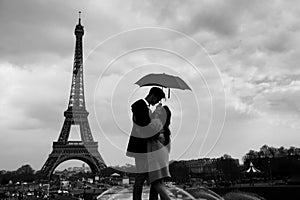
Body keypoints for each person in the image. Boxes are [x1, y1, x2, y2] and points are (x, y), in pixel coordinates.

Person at [126, 87, 166, 200]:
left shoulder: (143, 107)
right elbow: (145, 125)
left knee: (148, 176)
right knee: (144, 176)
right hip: (142, 147)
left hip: (144, 147)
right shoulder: (140, 106)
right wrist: (157, 135)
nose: (156, 102)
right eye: (157, 99)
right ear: (153, 95)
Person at [147, 104, 172, 200]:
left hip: (155, 153)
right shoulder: (164, 126)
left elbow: (147, 128)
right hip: (162, 153)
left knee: (155, 182)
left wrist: (153, 111)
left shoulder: (156, 122)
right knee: (158, 183)